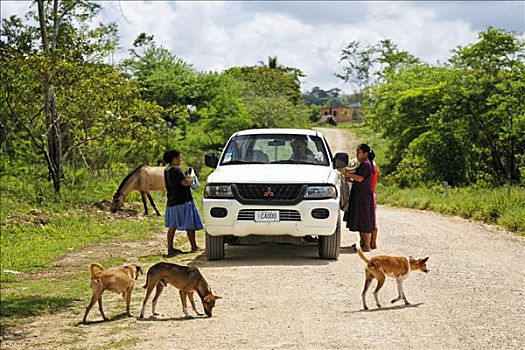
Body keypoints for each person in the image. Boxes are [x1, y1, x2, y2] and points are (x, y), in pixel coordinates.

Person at [163, 149, 203, 256]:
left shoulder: (167, 170)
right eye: (179, 157)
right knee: (190, 224)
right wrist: (191, 177)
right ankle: (194, 246)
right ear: (174, 158)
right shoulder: (177, 169)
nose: (180, 159)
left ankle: (170, 249)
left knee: (172, 226)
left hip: (172, 201)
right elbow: (185, 182)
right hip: (183, 201)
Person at [344, 144, 375, 252]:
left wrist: (346, 173)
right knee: (360, 220)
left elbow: (360, 178)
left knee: (364, 220)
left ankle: (366, 245)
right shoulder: (363, 164)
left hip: (364, 197)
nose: (357, 155)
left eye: (359, 152)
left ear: (365, 154)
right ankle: (362, 242)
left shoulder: (366, 164)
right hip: (359, 196)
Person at [370, 157, 379, 250]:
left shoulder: (371, 167)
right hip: (372, 194)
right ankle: (372, 242)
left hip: (370, 194)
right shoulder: (374, 167)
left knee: (372, 221)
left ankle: (372, 243)